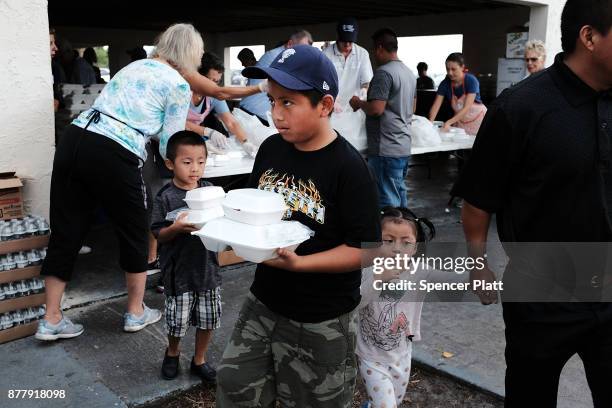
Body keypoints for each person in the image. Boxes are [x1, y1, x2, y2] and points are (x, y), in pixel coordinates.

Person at [36, 23, 261, 342]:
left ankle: (51, 318)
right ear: (191, 54)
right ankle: (136, 311)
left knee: (67, 229)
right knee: (134, 229)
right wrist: (201, 153)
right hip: (114, 150)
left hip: (76, 138)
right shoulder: (178, 85)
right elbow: (171, 141)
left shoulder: (136, 66)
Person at [451, 0, 612, 406]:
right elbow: (479, 200)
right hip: (542, 294)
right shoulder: (521, 107)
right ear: (589, 37)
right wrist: (477, 263)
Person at [215, 45, 381, 407]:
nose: (276, 114)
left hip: (320, 318)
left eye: (287, 103)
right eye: (272, 101)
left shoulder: (350, 169)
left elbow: (366, 249)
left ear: (324, 105)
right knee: (235, 387)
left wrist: (302, 264)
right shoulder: (271, 149)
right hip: (264, 301)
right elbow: (254, 209)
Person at [150, 131, 221, 383]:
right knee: (177, 321)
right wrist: (176, 229)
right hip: (177, 270)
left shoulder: (211, 191)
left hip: (207, 268)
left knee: (208, 318)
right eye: (187, 162)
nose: (195, 169)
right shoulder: (165, 197)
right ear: (171, 164)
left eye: (200, 162)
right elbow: (159, 233)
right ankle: (172, 353)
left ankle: (199, 359)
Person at [357, 207, 435, 408]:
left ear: (415, 247)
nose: (397, 248)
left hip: (402, 354)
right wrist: (378, 279)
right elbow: (356, 301)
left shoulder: (419, 272)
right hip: (370, 356)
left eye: (406, 242)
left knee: (396, 400)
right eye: (388, 240)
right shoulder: (368, 269)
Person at [350, 28, 416, 209]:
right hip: (402, 145)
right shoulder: (409, 73)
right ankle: (406, 235)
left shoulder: (383, 73)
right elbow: (413, 108)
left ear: (379, 48)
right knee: (400, 196)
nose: (374, 55)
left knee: (387, 201)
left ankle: (389, 237)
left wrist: (359, 103)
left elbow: (376, 109)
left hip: (385, 148)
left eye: (374, 50)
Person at [185, 52, 258, 156]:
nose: (214, 86)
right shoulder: (182, 91)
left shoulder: (214, 96)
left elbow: (231, 122)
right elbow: (177, 122)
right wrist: (207, 132)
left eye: (217, 82)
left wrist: (245, 142)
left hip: (192, 139)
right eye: (211, 81)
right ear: (198, 76)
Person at [238, 29, 313, 125]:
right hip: (254, 113)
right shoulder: (278, 57)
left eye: (307, 51)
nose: (303, 54)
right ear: (290, 44)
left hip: (258, 111)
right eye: (301, 49)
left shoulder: (283, 55)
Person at [323, 17, 373, 151]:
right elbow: (323, 82)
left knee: (356, 148)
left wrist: (363, 93)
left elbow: (366, 81)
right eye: (344, 40)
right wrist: (332, 99)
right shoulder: (326, 55)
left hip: (354, 108)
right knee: (333, 146)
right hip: (334, 107)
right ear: (338, 37)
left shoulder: (362, 54)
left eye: (350, 41)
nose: (347, 45)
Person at [428, 53, 487, 135]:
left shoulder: (471, 80)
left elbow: (466, 107)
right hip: (460, 121)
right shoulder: (445, 84)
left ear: (462, 67)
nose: (450, 73)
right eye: (447, 69)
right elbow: (436, 106)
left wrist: (449, 122)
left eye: (453, 69)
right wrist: (429, 124)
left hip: (477, 119)